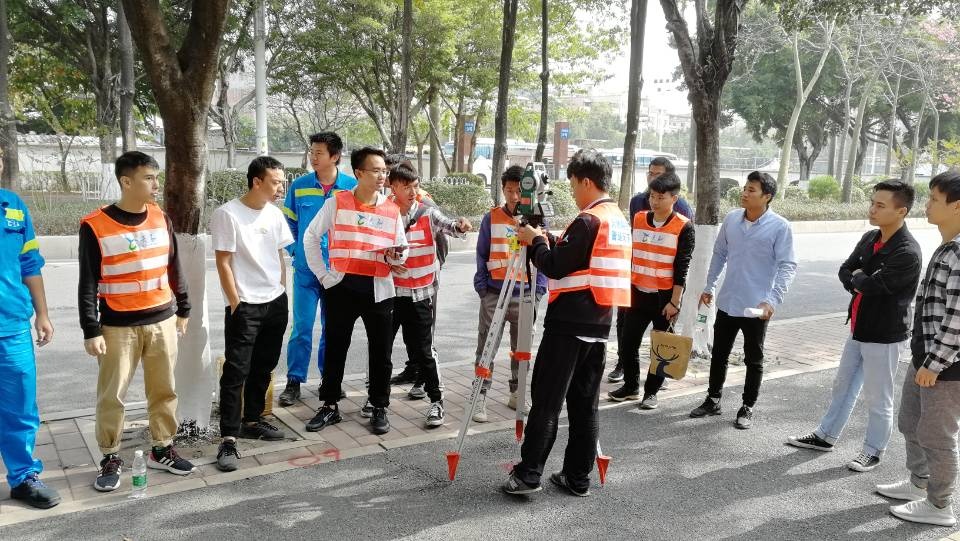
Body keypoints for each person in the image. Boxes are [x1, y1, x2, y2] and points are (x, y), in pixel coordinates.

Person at [502, 149, 631, 497]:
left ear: (586, 181)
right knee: (584, 404)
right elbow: (578, 259)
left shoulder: (589, 219)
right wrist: (548, 240)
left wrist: (536, 241)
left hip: (569, 324)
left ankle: (528, 475)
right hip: (599, 324)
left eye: (574, 184)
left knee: (546, 401)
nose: (572, 191)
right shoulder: (616, 218)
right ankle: (577, 477)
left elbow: (556, 266)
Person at [78, 151, 194, 492]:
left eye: (156, 177)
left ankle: (162, 448)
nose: (156, 185)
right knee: (112, 395)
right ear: (126, 182)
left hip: (162, 320)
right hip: (116, 327)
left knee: (164, 390)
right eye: (148, 178)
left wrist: (184, 310)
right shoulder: (95, 225)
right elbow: (87, 282)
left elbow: (174, 267)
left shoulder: (160, 217)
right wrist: (91, 329)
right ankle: (111, 456)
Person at [787, 181, 921, 472]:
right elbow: (845, 270)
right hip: (858, 328)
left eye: (880, 205)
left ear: (902, 211)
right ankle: (825, 435)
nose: (872, 209)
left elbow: (874, 285)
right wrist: (861, 278)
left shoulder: (907, 251)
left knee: (878, 396)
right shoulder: (870, 237)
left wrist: (860, 278)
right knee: (843, 385)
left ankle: (873, 450)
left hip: (884, 335)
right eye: (872, 202)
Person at [302, 147, 407, 435]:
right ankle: (329, 405)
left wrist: (397, 257)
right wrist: (323, 275)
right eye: (376, 170)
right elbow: (310, 237)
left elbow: (401, 248)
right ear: (359, 173)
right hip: (341, 287)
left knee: (381, 352)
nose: (382, 176)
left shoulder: (391, 208)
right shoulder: (337, 203)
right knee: (336, 347)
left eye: (384, 171)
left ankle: (378, 405)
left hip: (378, 288)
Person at [879, 171, 960, 527]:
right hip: (926, 356)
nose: (925, 206)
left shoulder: (959, 252)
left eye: (934, 200)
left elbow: (958, 319)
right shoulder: (947, 245)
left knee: (936, 435)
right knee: (910, 421)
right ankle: (919, 483)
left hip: (945, 364)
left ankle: (940, 505)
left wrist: (936, 363)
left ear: (956, 206)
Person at [689, 171, 796, 429]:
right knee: (719, 355)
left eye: (751, 190)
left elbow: (787, 266)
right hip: (727, 301)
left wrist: (772, 301)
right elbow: (719, 253)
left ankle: (747, 407)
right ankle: (713, 399)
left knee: (753, 358)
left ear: (766, 196)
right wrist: (709, 285)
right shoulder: (732, 220)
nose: (744, 193)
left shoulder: (780, 227)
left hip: (756, 307)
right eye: (745, 188)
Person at [210, 156, 294, 472]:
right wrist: (236, 302)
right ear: (257, 181)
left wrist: (281, 290)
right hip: (245, 305)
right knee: (236, 371)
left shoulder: (274, 214)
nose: (279, 188)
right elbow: (223, 262)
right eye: (275, 182)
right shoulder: (228, 214)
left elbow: (279, 255)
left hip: (275, 301)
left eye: (282, 182)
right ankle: (228, 440)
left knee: (265, 365)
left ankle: (253, 419)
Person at [386, 162, 471, 427]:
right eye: (406, 187)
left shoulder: (427, 213)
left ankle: (436, 402)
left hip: (420, 294)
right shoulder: (383, 213)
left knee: (423, 350)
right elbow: (372, 247)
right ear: (393, 186)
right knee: (381, 349)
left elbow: (449, 226)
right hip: (389, 294)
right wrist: (386, 259)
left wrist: (462, 225)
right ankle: (377, 400)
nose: (412, 192)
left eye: (415, 186)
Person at [279, 132, 357, 407]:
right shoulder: (299, 186)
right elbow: (287, 224)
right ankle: (294, 381)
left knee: (332, 328)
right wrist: (295, 250)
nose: (313, 157)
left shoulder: (351, 187)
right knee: (301, 327)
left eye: (319, 153)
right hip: (305, 271)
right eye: (311, 152)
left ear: (335, 156)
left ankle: (330, 380)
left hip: (337, 272)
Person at [0, 161, 60, 508]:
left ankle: (23, 478)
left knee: (20, 407)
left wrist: (43, 313)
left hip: (11, 327)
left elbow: (29, 263)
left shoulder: (13, 207)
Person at [607, 171, 694, 409]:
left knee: (661, 347)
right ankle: (631, 386)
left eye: (660, 197)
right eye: (652, 196)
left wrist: (675, 302)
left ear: (674, 198)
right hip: (636, 292)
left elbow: (682, 267)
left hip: (664, 299)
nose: (655, 202)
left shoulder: (683, 227)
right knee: (627, 343)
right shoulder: (638, 219)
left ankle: (651, 393)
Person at [472, 165, 548, 422]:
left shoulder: (535, 220)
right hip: (495, 292)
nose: (514, 196)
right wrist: (482, 287)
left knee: (521, 348)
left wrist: (539, 290)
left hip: (525, 293)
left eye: (519, 190)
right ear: (502, 189)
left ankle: (517, 392)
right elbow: (481, 254)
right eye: (509, 190)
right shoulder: (491, 217)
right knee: (487, 346)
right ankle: (480, 394)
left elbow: (543, 255)